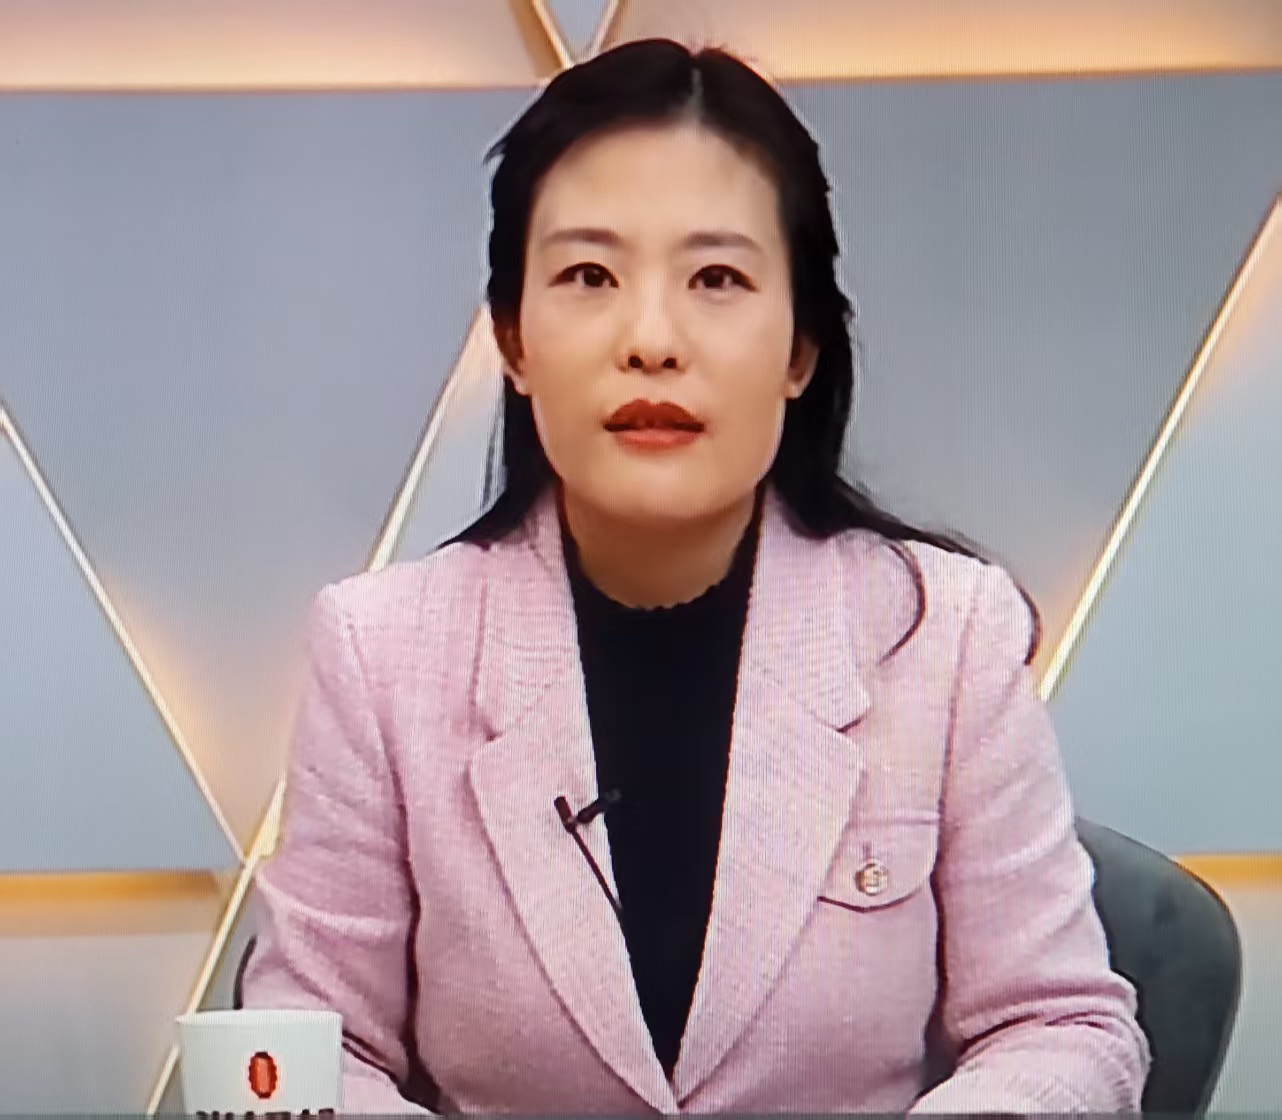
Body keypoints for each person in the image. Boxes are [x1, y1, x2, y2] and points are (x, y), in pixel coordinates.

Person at [240, 37, 1150, 1114]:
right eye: (588, 276)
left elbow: (1061, 1026)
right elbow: (297, 1056)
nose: (652, 339)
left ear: (800, 348)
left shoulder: (945, 637)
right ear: (514, 341)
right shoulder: (380, 652)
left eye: (717, 278)